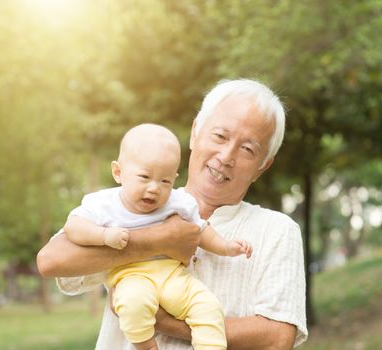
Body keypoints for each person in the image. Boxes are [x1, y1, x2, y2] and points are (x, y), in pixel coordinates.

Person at [37, 78, 308, 349]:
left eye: (247, 149)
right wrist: (158, 239)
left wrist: (166, 323)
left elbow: (277, 337)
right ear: (195, 133)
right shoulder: (129, 205)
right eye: (220, 136)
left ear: (262, 166)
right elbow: (51, 261)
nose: (226, 156)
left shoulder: (277, 231)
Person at [62, 123, 252, 350]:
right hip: (130, 276)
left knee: (208, 307)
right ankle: (146, 346)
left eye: (165, 181)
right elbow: (73, 226)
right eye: (144, 177)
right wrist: (103, 235)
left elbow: (201, 230)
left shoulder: (177, 202)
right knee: (133, 304)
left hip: (173, 276)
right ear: (118, 172)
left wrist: (227, 247)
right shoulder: (104, 203)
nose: (154, 188)